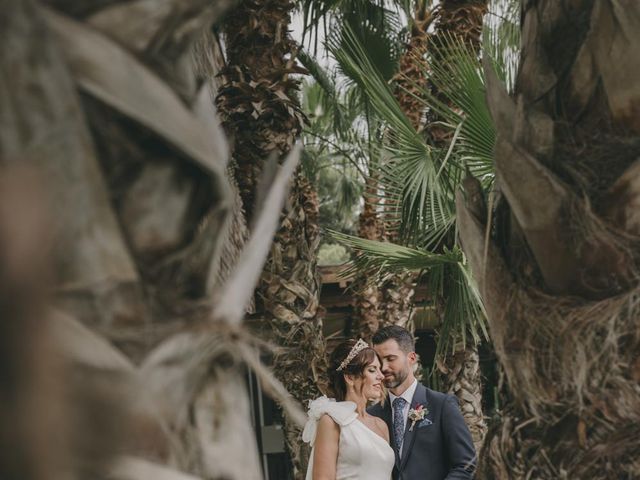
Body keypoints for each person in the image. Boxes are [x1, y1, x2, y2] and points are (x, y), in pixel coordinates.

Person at [369, 326, 476, 480]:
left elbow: (466, 465)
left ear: (411, 358)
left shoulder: (442, 405)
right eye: (379, 360)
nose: (383, 367)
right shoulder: (372, 415)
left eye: (390, 359)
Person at [302, 338, 395, 480]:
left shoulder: (381, 425)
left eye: (379, 370)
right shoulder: (332, 420)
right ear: (350, 377)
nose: (381, 376)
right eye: (372, 370)